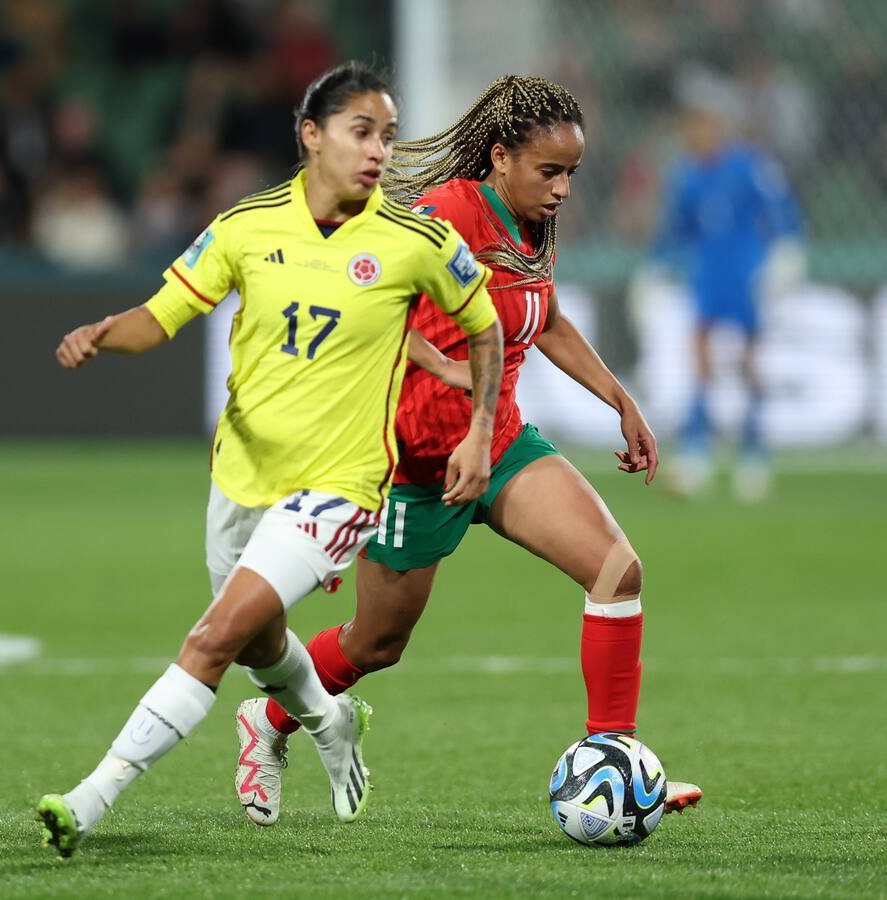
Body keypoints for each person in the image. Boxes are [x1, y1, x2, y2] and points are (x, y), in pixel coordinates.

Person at [36, 61, 504, 857]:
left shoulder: (416, 239)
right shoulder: (248, 226)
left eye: (387, 137)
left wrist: (482, 425)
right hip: (242, 474)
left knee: (214, 638)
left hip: (341, 486)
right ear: (311, 136)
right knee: (257, 642)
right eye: (362, 132)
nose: (378, 152)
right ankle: (329, 717)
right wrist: (103, 332)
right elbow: (164, 313)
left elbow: (484, 324)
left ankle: (89, 798)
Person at [232, 75, 702, 826]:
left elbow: (541, 319)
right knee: (375, 643)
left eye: (572, 174)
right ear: (499, 157)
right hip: (415, 468)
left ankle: (613, 764)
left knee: (616, 570)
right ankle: (269, 721)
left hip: (501, 445)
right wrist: (447, 374)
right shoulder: (441, 218)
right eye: (549, 172)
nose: (562, 191)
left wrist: (620, 399)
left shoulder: (529, 228)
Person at [651, 69, 805, 502]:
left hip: (745, 274)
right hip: (707, 275)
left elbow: (781, 214)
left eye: (699, 122)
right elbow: (674, 233)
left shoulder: (749, 166)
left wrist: (786, 254)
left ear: (718, 124)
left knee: (747, 362)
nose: (692, 132)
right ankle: (697, 451)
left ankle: (754, 450)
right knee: (699, 360)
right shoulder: (688, 174)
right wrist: (655, 270)